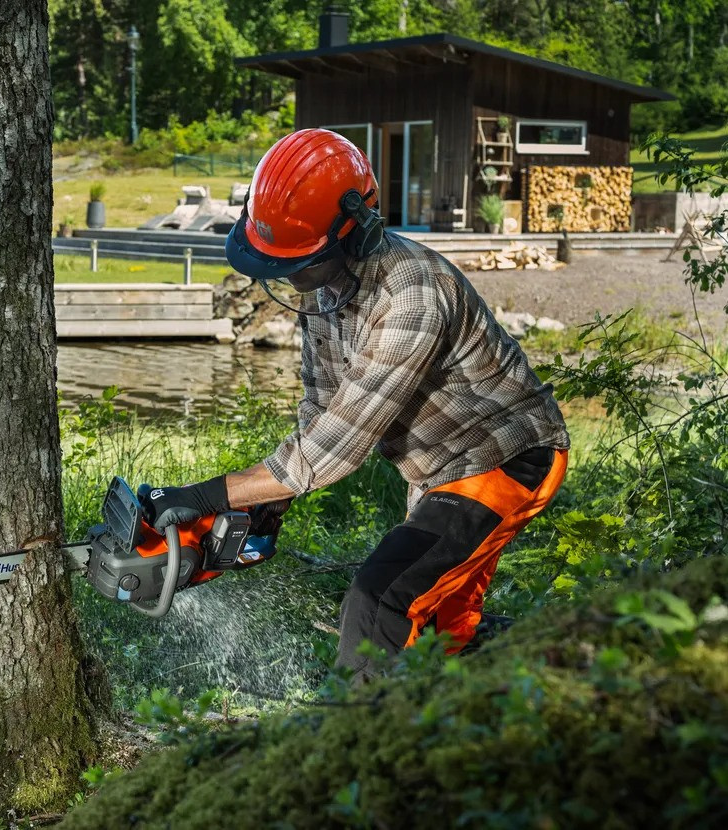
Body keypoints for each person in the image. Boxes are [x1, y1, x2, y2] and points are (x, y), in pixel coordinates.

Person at [142, 129, 570, 680]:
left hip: (505, 459)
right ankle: (521, 691)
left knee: (381, 598)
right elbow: (322, 410)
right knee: (441, 628)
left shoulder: (410, 295)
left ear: (356, 232)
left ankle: (354, 727)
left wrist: (201, 496)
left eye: (302, 262)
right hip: (438, 471)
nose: (291, 277)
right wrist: (268, 502)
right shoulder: (325, 293)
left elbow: (336, 449)